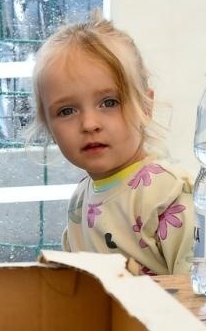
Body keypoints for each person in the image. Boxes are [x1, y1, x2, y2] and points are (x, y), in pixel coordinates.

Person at [34, 15, 192, 277]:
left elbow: (203, 294)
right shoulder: (80, 199)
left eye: (109, 102)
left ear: (146, 105)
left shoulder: (168, 192)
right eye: (67, 110)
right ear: (48, 126)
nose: (89, 123)